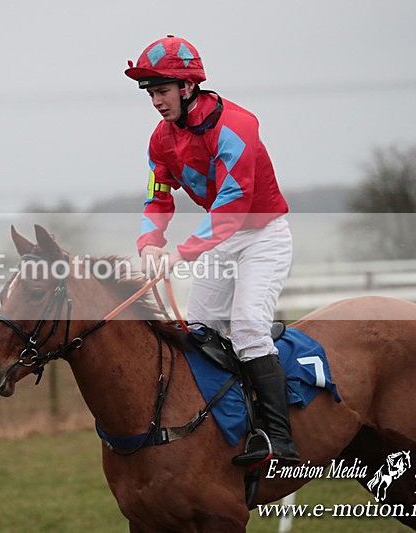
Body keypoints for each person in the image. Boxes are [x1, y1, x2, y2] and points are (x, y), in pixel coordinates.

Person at [125, 35, 298, 466]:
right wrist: (149, 243)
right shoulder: (160, 139)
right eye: (150, 93)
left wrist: (180, 253)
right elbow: (156, 197)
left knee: (247, 331)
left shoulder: (237, 125)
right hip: (222, 242)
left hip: (262, 237)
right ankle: (231, 424)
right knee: (200, 334)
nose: (155, 102)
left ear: (187, 87)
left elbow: (233, 204)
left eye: (161, 91)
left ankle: (281, 440)